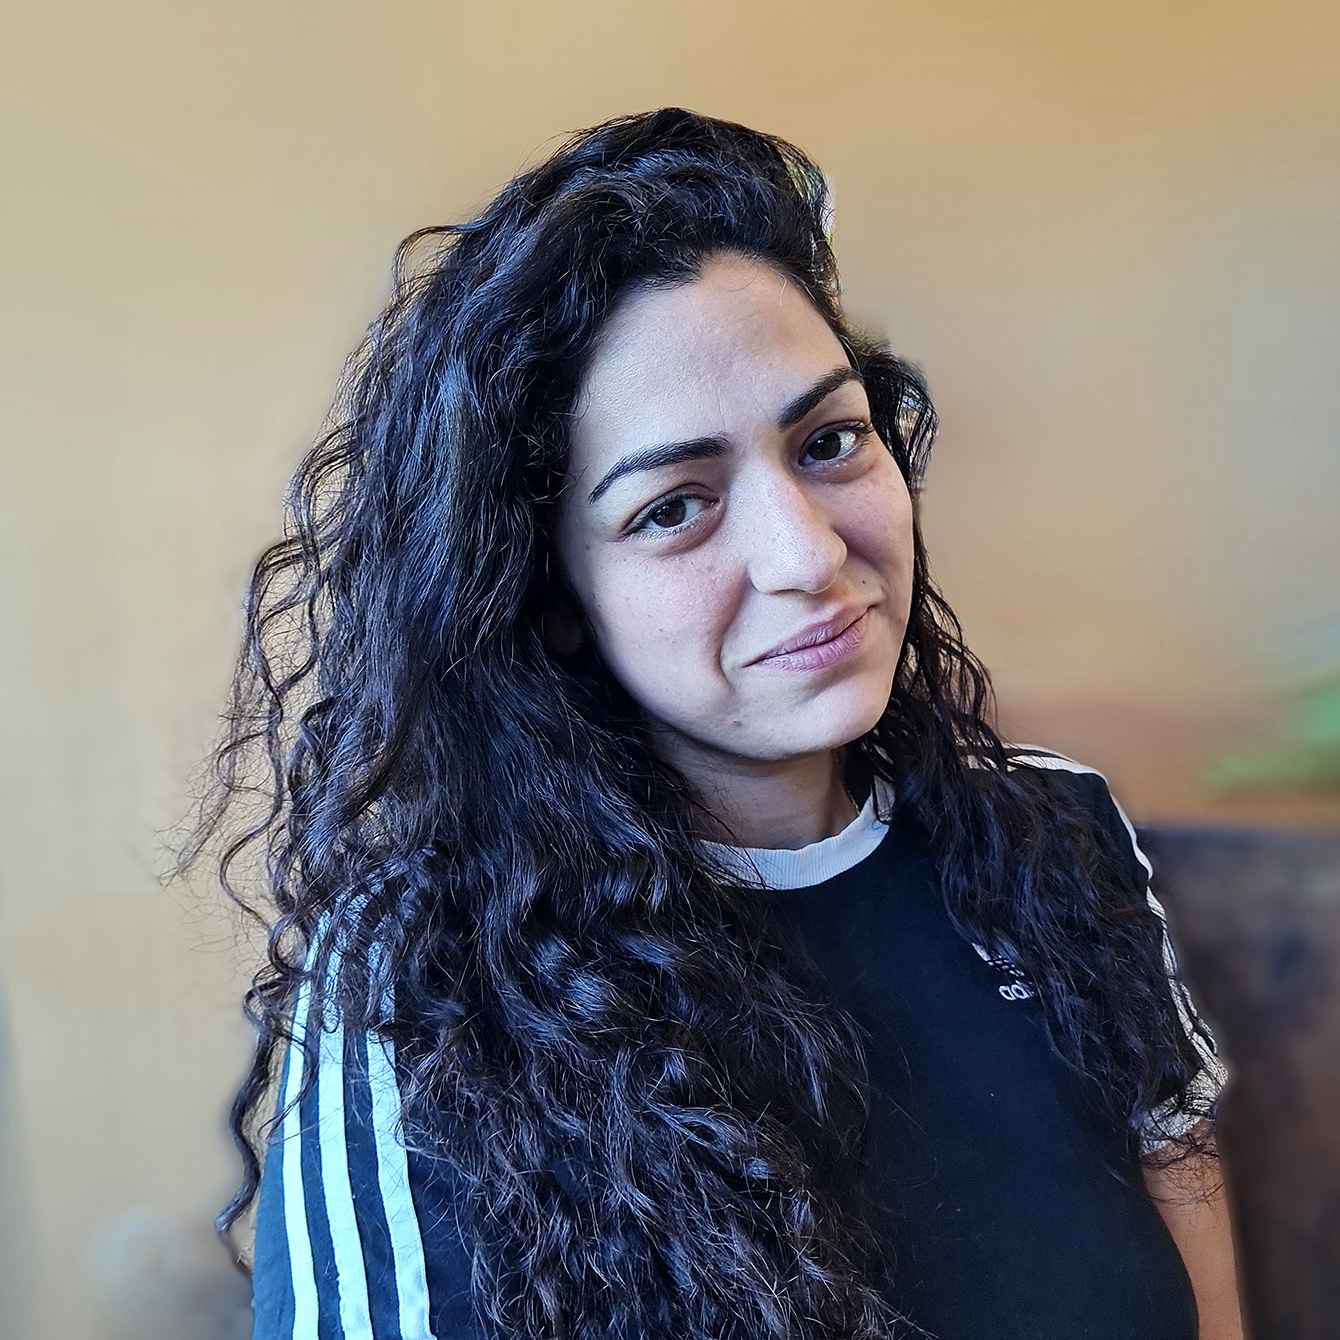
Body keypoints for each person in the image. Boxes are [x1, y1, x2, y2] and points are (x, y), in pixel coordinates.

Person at [191, 109, 1244, 1339]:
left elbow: (1196, 1258)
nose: (808, 554)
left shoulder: (1056, 831)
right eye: (673, 507)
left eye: (829, 441)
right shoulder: (421, 979)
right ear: (551, 594)